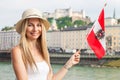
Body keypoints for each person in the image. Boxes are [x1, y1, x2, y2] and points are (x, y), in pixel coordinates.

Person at [11, 8, 80, 80]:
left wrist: (69, 63)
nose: (35, 29)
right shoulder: (17, 51)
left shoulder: (44, 50)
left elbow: (51, 79)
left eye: (38, 25)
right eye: (30, 25)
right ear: (24, 28)